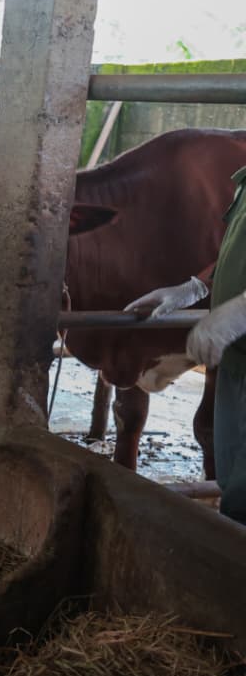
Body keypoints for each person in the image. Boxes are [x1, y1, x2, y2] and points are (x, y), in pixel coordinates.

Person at [125, 179, 246, 525]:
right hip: (236, 361)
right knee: (234, 488)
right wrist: (195, 288)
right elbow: (236, 252)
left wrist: (242, 310)